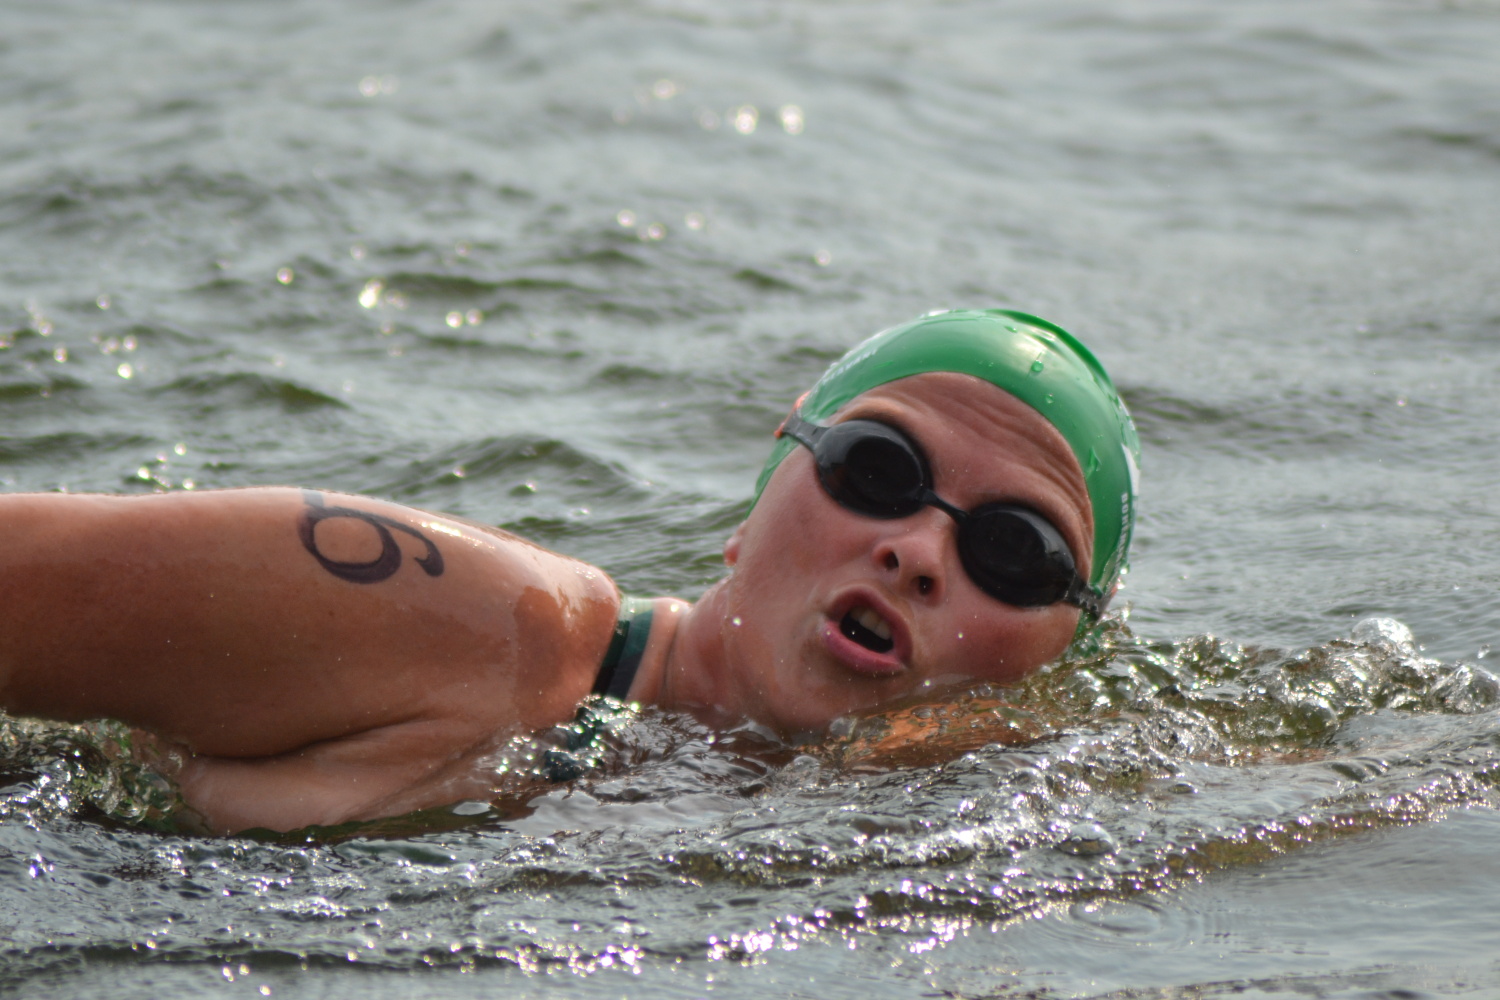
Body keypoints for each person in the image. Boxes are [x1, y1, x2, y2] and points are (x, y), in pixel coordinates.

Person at [0, 309, 1139, 834]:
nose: (918, 550)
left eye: (1015, 552)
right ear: (763, 491)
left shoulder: (996, 835)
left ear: (1065, 654)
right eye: (876, 468)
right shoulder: (481, 622)